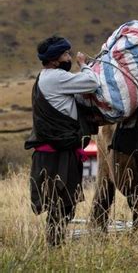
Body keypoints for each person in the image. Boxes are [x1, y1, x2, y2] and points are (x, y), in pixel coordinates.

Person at [24, 36, 100, 246]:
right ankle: (54, 243)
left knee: (63, 200)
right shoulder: (56, 77)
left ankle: (55, 241)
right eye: (66, 54)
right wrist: (84, 65)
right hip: (59, 152)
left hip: (54, 150)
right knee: (62, 200)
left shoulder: (45, 77)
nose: (69, 57)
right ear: (55, 60)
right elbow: (93, 83)